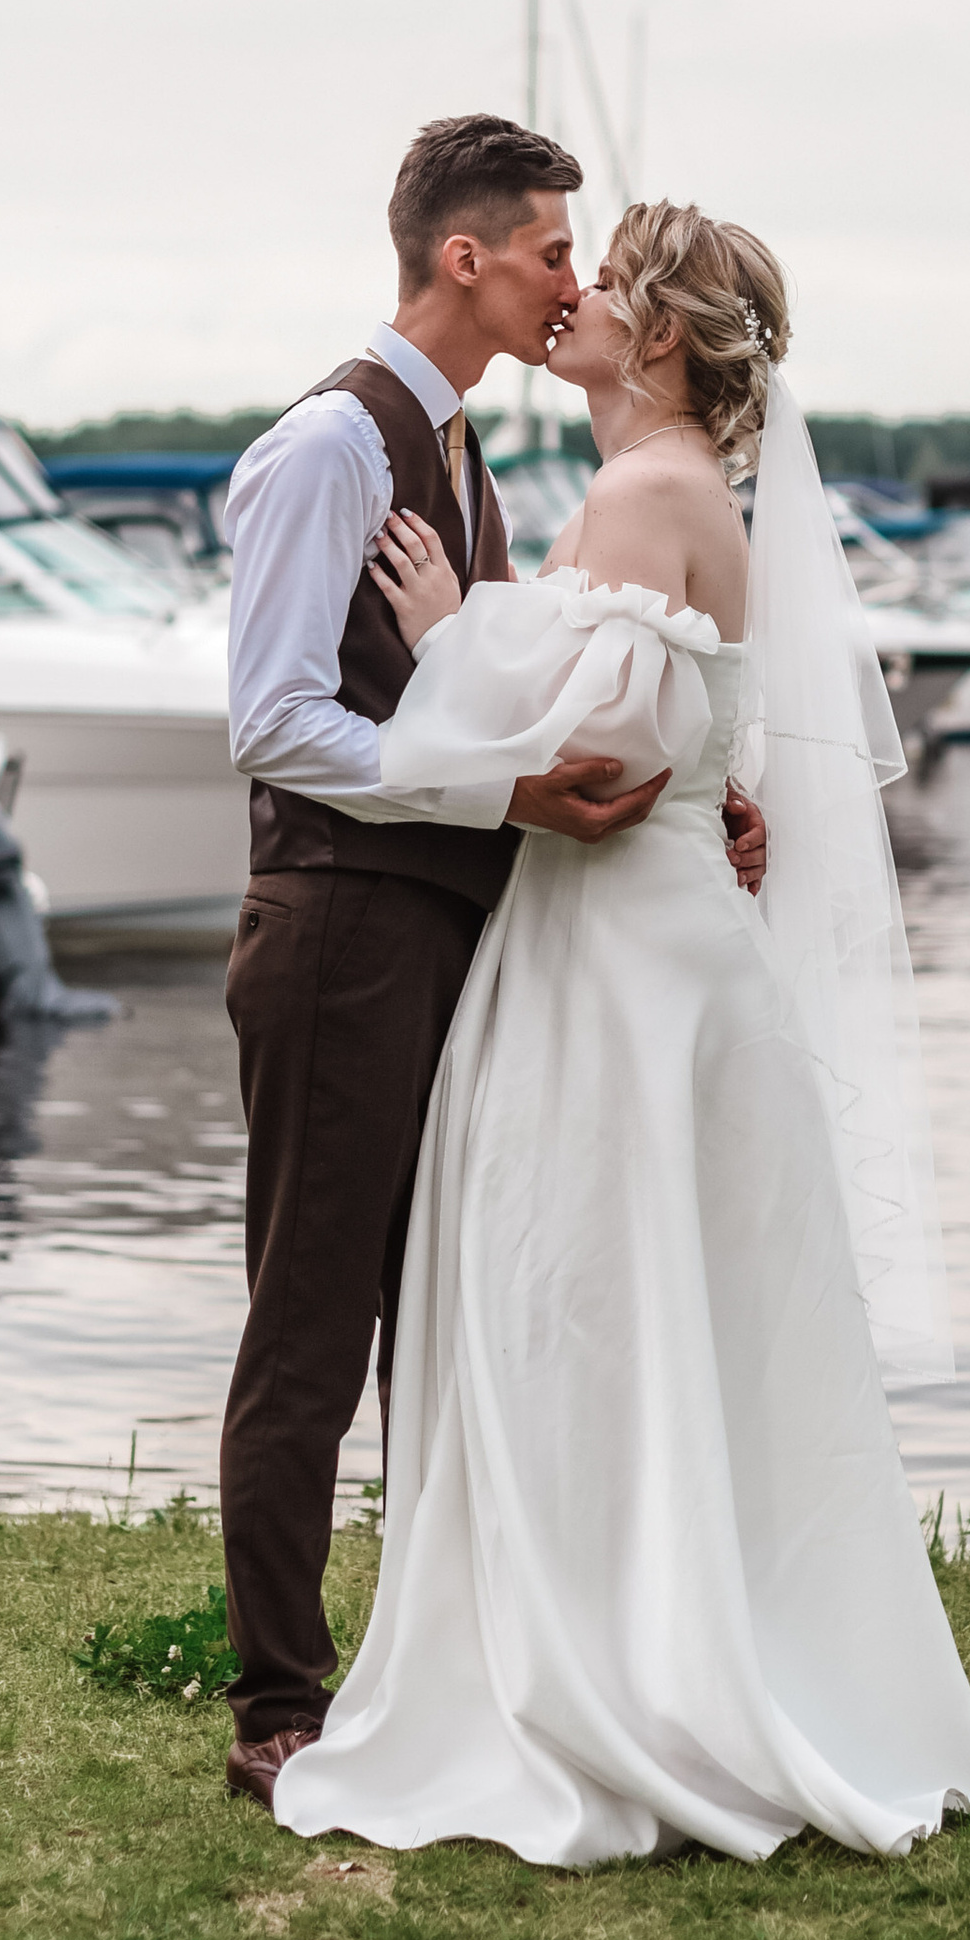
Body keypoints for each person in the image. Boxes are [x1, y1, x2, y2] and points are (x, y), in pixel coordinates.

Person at [273, 200, 970, 1867]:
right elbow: (664, 719)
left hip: (618, 968)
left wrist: (449, 635)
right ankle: (673, 1631)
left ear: (660, 332)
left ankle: (612, 1674)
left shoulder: (640, 490)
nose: (577, 293)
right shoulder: (676, 492)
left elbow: (596, 750)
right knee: (659, 1315)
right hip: (664, 959)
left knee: (580, 1307)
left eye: (604, 278)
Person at [215, 117, 764, 1810]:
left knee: (444, 1319)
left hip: (457, 926)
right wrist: (504, 792)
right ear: (467, 258)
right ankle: (275, 1700)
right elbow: (274, 719)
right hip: (339, 923)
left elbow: (543, 693)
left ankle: (433, 1668)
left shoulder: (471, 466)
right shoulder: (330, 446)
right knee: (313, 1320)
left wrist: (700, 783)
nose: (570, 281)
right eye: (549, 249)